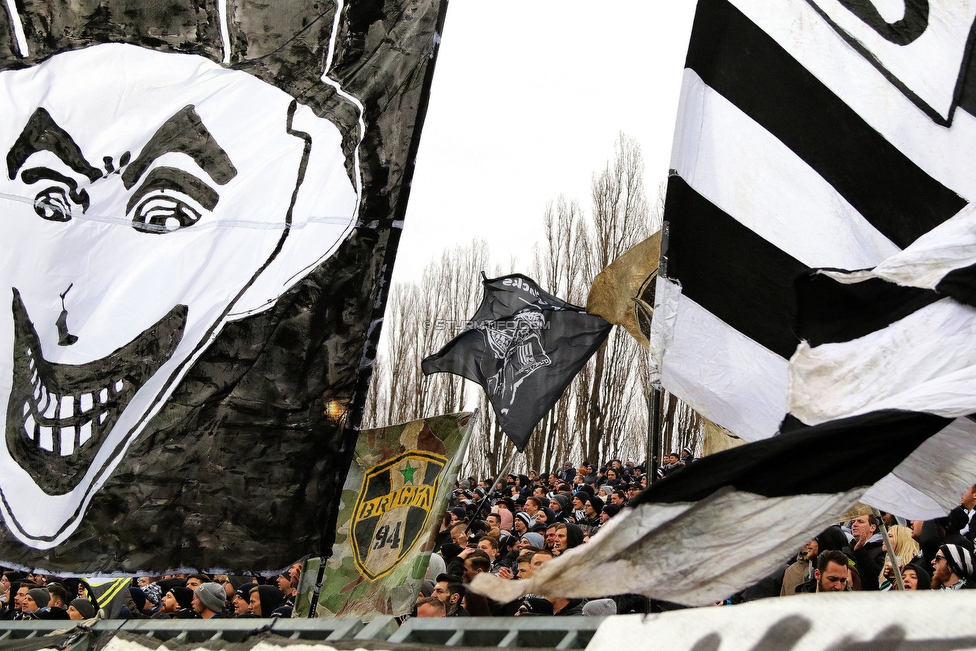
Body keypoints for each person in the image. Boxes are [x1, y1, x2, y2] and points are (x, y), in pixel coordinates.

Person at [850, 514, 885, 591]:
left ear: (872, 528)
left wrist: (860, 551)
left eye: (860, 522)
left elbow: (878, 576)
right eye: (853, 522)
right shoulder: (847, 547)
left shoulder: (881, 550)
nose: (854, 525)